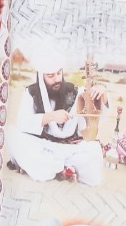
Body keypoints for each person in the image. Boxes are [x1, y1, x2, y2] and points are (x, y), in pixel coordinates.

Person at [7, 57, 104, 186]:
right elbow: (23, 123)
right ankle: (62, 168)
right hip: (44, 147)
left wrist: (101, 93)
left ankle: (57, 168)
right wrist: (50, 117)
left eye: (59, 73)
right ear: (41, 76)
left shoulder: (74, 91)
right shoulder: (31, 92)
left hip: (71, 149)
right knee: (10, 134)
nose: (57, 79)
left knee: (94, 150)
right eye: (51, 76)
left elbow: (94, 116)